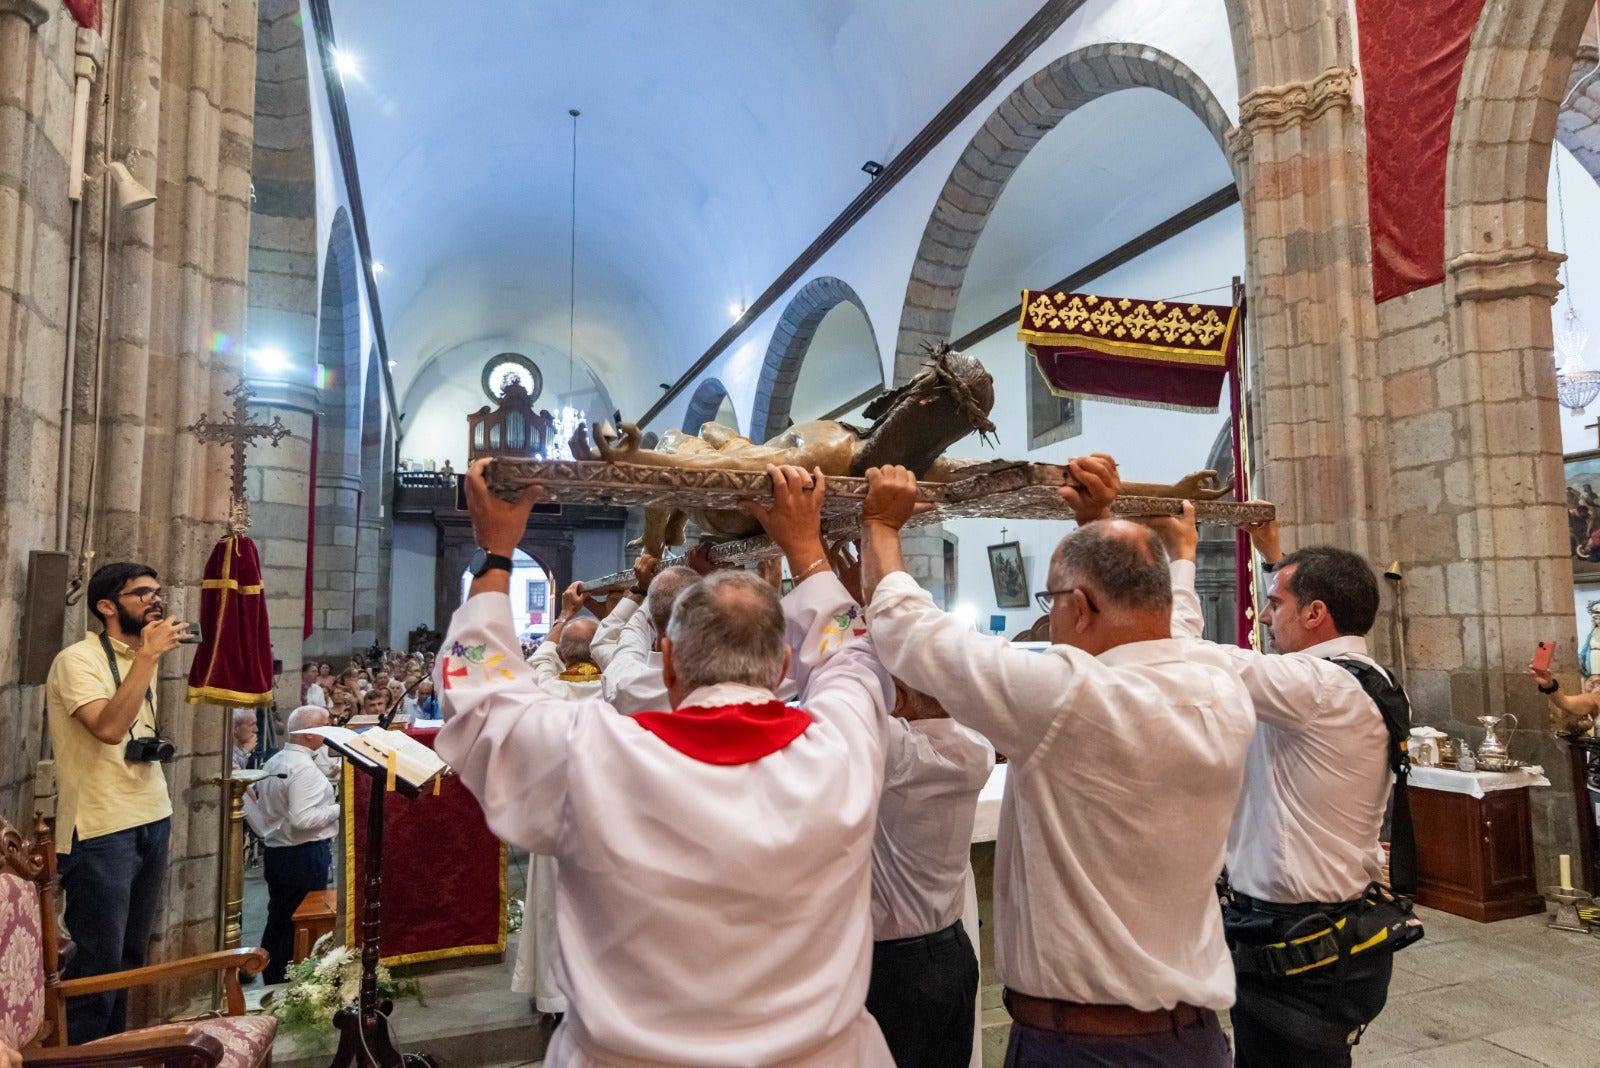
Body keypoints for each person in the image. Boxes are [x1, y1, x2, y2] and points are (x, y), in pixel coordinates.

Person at [435, 459, 894, 1066]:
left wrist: (495, 554)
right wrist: (807, 551)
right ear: (784, 667)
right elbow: (854, 656)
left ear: (668, 661)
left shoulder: (594, 758)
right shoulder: (840, 751)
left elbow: (479, 699)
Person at [860, 460, 1252, 1067]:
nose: (1052, 620)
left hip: (1084, 1049)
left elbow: (909, 630)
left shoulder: (1070, 698)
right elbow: (1175, 630)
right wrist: (1099, 522)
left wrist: (882, 524)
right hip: (1192, 1040)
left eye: (1052, 601)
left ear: (1082, 606)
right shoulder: (1221, 689)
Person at [1153, 506, 1410, 1068]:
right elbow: (1300, 635)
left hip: (1298, 939)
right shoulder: (1369, 679)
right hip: (1325, 924)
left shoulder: (1317, 687)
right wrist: (1276, 558)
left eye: (1275, 604)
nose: (1265, 617)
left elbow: (1176, 656)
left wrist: (1182, 555)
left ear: (1316, 612)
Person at [45, 562, 191, 1042]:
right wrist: (148, 657)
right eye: (141, 593)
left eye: (157, 591)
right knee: (97, 963)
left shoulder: (138, 657)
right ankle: (80, 1056)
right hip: (100, 827)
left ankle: (115, 1052)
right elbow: (109, 729)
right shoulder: (77, 660)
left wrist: (145, 658)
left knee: (129, 958)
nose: (156, 600)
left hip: (152, 816)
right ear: (107, 606)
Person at [244, 705, 340, 985]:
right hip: (303, 853)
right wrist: (339, 809)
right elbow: (302, 819)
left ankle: (273, 976)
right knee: (300, 922)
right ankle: (291, 980)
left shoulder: (276, 760)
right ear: (309, 734)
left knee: (280, 918)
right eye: (325, 726)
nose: (329, 731)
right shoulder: (303, 768)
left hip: (280, 851)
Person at [601, 564, 702, 714]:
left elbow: (628, 638)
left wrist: (644, 588)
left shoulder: (625, 684)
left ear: (650, 622)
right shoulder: (721, 684)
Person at [528, 583, 603, 696]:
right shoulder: (615, 688)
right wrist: (604, 612)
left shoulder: (545, 687)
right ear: (601, 652)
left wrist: (566, 612)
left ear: (559, 653)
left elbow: (542, 657)